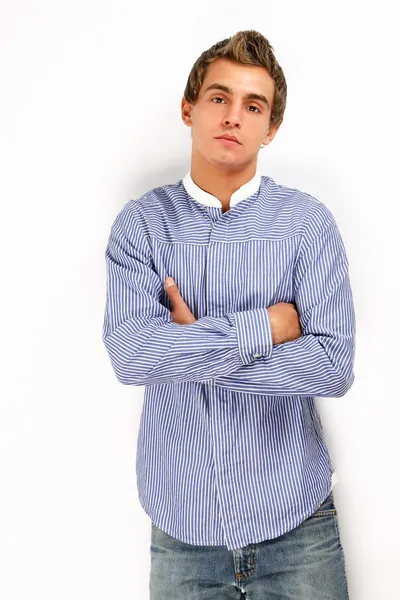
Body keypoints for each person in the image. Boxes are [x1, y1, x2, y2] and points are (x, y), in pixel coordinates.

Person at [102, 29, 355, 600]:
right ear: (189, 109)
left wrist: (190, 349)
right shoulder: (141, 227)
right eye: (219, 98)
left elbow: (333, 366)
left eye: (253, 105)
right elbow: (131, 355)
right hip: (181, 538)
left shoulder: (306, 225)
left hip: (299, 530)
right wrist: (264, 327)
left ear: (272, 128)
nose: (233, 116)